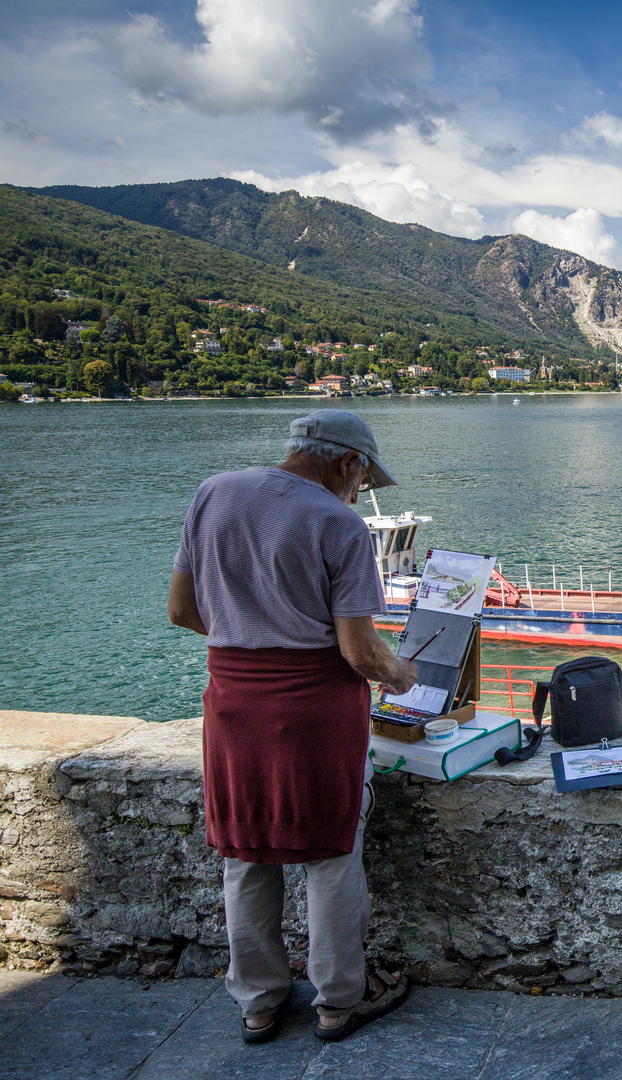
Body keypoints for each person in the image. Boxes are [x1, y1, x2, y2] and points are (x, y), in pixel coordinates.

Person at [168, 410, 418, 1045]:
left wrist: (251, 645)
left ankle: (257, 1002)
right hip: (316, 710)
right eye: (363, 477)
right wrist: (401, 672)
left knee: (245, 847)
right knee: (331, 850)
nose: (361, 492)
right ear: (347, 464)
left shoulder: (213, 492)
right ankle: (340, 998)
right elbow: (360, 652)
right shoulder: (340, 523)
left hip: (232, 702)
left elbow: (181, 609)